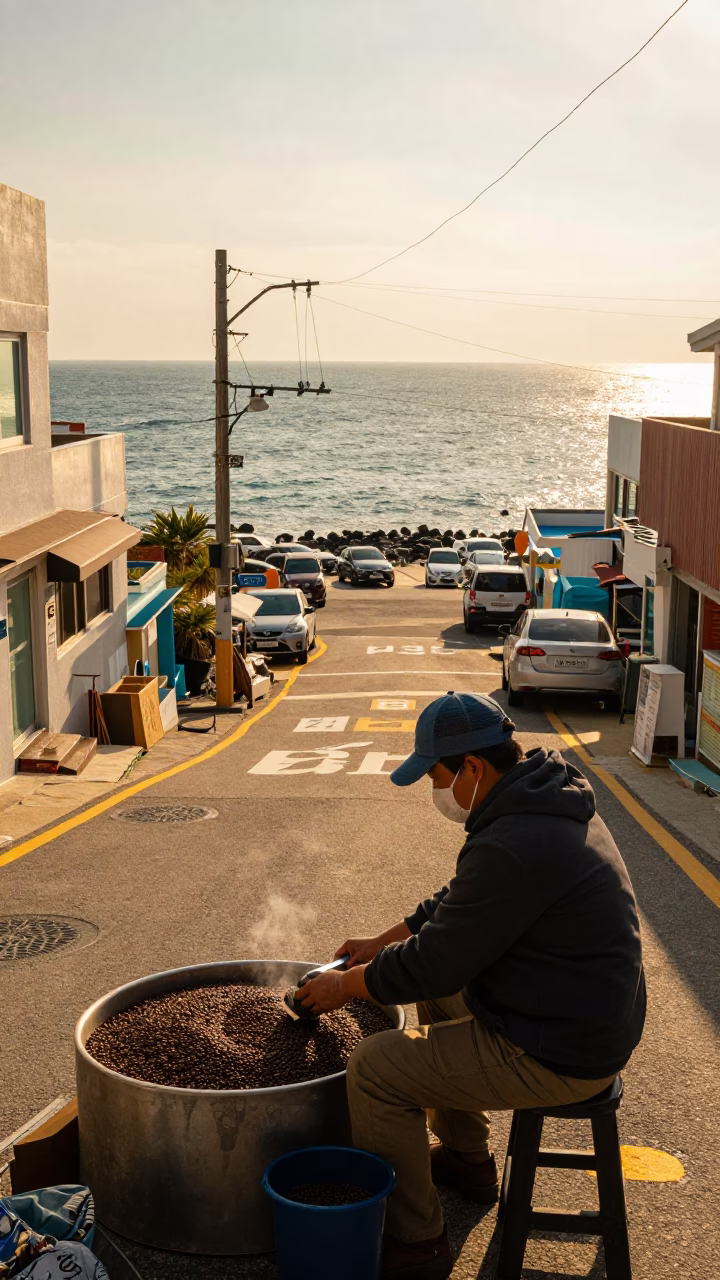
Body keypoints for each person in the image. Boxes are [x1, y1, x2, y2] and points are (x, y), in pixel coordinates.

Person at [296, 692, 646, 1280]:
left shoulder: (515, 841)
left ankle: (418, 1240)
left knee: (376, 1067)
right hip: (574, 1009)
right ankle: (467, 1157)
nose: (437, 792)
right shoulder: (540, 801)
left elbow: (433, 962)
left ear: (473, 768)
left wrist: (347, 986)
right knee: (440, 998)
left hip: (561, 1048)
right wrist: (379, 942)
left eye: (437, 775)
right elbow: (459, 903)